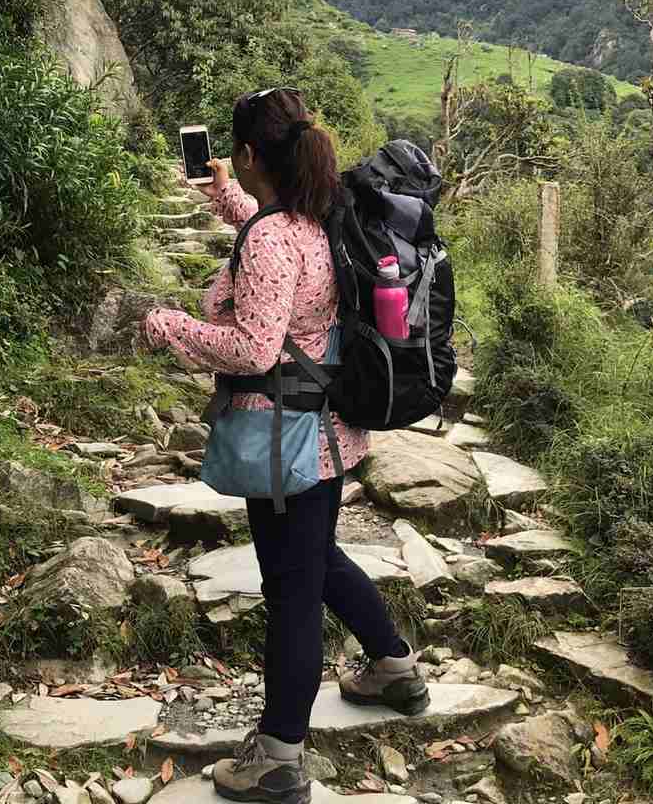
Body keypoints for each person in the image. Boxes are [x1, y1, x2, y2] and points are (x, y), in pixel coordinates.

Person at [144, 88, 428, 804]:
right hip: (325, 433)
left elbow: (253, 344)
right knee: (316, 559)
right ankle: (393, 668)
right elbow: (284, 249)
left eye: (234, 163)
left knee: (292, 592)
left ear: (247, 155)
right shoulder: (316, 214)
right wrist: (228, 201)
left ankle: (279, 757)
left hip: (288, 442)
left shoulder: (277, 235)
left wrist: (169, 326)